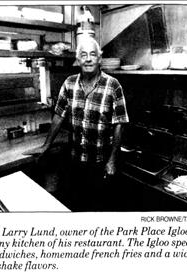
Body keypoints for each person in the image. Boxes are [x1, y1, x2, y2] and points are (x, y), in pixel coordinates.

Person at [31, 37, 129, 211]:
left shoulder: (113, 85)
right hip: (76, 159)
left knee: (100, 208)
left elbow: (119, 124)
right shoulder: (69, 83)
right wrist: (47, 145)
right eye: (83, 55)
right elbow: (59, 115)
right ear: (78, 60)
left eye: (93, 54)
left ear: (99, 58)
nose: (88, 59)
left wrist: (113, 159)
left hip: (102, 161)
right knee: (78, 205)